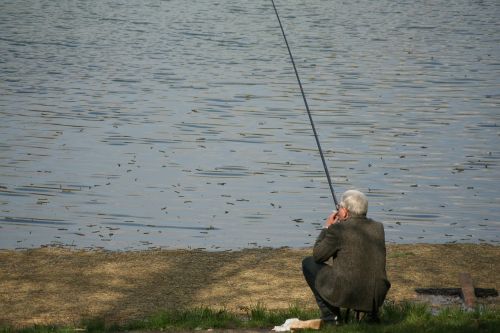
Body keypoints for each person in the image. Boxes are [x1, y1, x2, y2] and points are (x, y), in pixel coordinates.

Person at [302, 190, 391, 324]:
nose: (338, 211)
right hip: (376, 293)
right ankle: (370, 315)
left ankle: (331, 316)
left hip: (349, 291)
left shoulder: (338, 230)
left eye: (339, 208)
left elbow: (318, 256)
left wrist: (327, 227)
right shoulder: (378, 228)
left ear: (344, 212)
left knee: (308, 263)